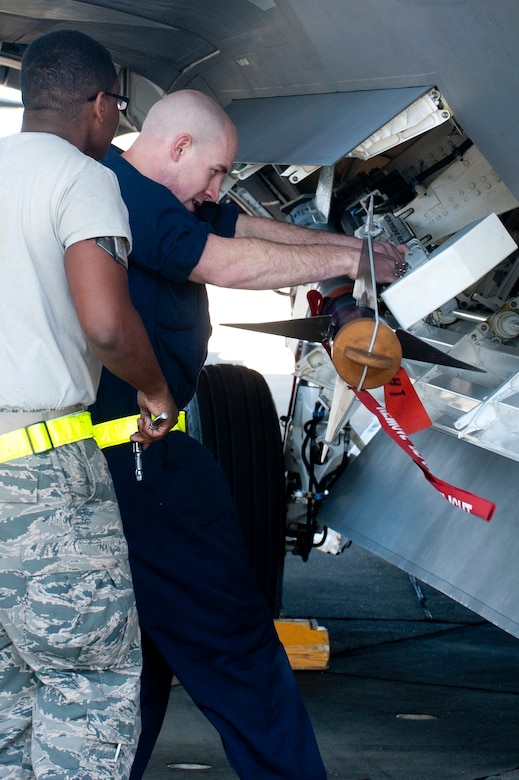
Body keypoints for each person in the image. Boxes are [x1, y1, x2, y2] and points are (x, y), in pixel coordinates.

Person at [90, 89, 405, 779]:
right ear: (177, 149)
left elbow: (244, 232)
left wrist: (354, 251)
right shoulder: (122, 192)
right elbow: (224, 264)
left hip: (138, 455)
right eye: (214, 173)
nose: (217, 190)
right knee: (234, 646)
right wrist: (350, 268)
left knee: (139, 658)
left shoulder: (166, 197)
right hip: (136, 459)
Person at [0, 30, 176, 779]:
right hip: (40, 470)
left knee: (7, 695)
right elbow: (105, 322)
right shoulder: (81, 177)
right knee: (87, 685)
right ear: (102, 104)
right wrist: (154, 387)